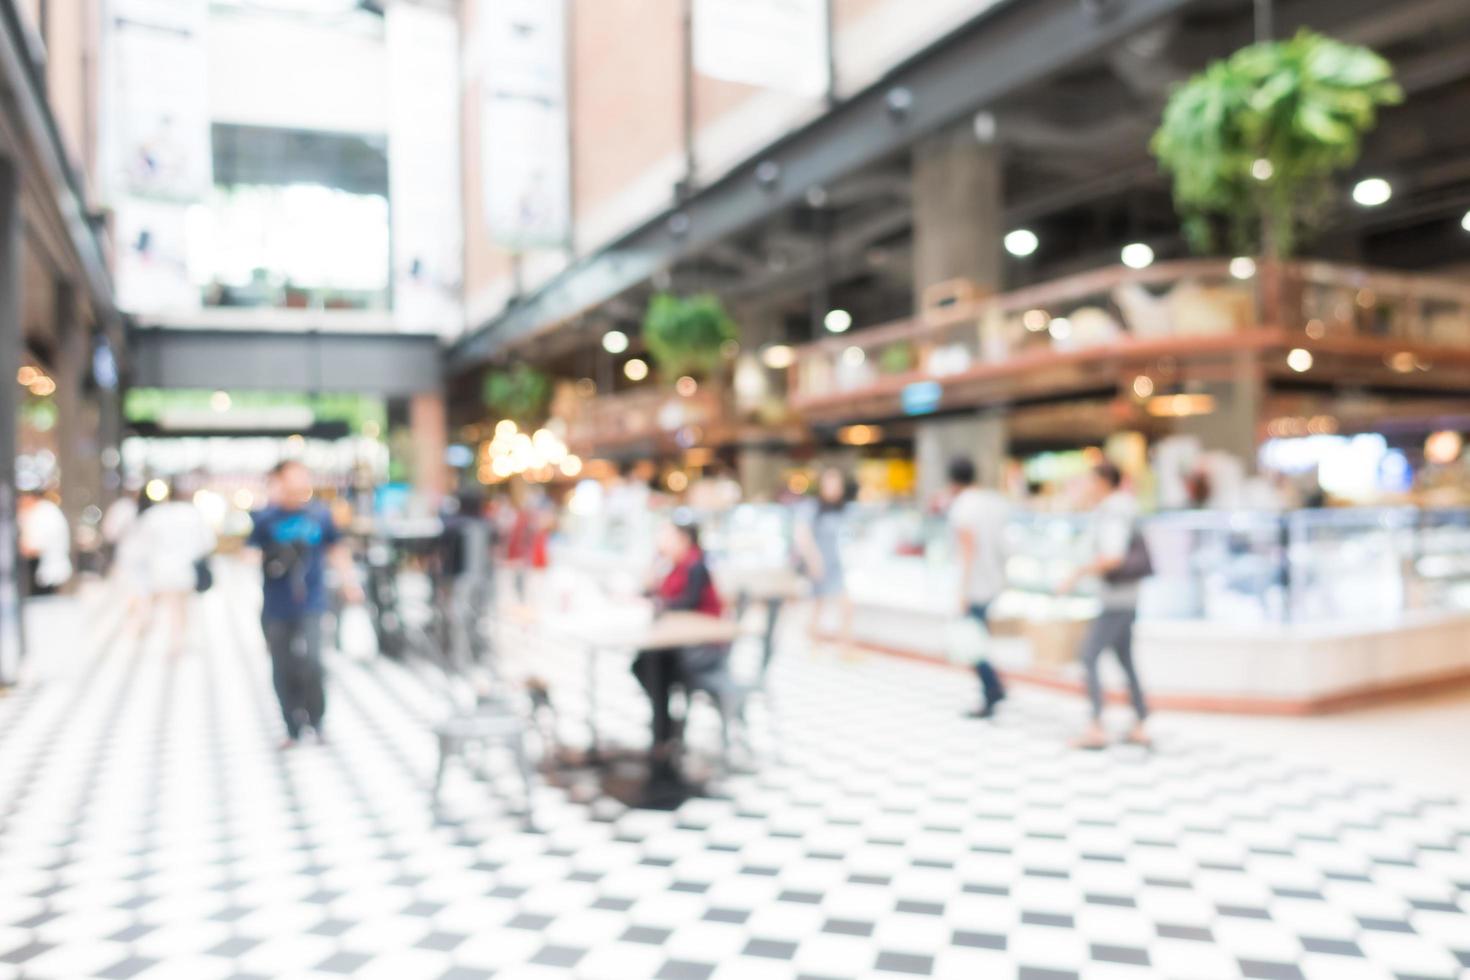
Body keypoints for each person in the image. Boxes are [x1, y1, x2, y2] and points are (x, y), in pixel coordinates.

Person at [246, 460, 363, 748]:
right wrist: (273, 557)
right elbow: (248, 553)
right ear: (280, 480)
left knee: (313, 661)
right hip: (276, 604)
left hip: (312, 600)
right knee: (282, 665)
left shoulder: (320, 514)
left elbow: (336, 549)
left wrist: (350, 582)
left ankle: (317, 720)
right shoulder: (265, 518)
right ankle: (292, 726)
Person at [1059, 462, 1151, 749]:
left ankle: (1096, 726)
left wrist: (1077, 574)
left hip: (1116, 598)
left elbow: (1113, 556)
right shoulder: (1122, 507)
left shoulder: (1113, 511)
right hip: (1125, 597)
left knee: (1088, 656)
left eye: (1090, 480)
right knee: (1124, 658)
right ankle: (1140, 721)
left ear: (1101, 483)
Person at [633, 518, 729, 770]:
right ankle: (665, 729)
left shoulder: (696, 565)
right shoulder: (672, 565)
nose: (662, 542)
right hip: (680, 643)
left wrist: (658, 603)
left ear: (684, 540)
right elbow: (653, 593)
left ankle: (664, 732)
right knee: (644, 662)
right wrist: (653, 567)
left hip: (703, 646)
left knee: (654, 664)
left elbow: (687, 602)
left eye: (668, 537)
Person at [947, 457, 1010, 718]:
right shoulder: (992, 502)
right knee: (978, 638)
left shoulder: (963, 507)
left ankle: (992, 689)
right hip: (993, 580)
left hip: (975, 585)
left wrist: (961, 590)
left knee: (972, 643)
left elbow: (967, 549)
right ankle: (993, 688)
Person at [134, 481, 215, 655]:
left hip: (160, 568)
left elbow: (141, 545)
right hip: (185, 568)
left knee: (160, 603)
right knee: (180, 606)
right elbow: (207, 543)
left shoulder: (154, 514)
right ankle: (177, 640)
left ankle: (149, 631)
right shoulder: (193, 514)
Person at [794, 467, 853, 651]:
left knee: (844, 604)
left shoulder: (841, 510)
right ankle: (814, 644)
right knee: (818, 606)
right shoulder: (811, 508)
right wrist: (813, 559)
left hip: (835, 565)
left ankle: (844, 646)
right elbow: (802, 535)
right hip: (818, 564)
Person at [17, 490, 71, 597]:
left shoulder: (44, 513)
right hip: (40, 574)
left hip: (45, 575)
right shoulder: (40, 511)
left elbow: (31, 549)